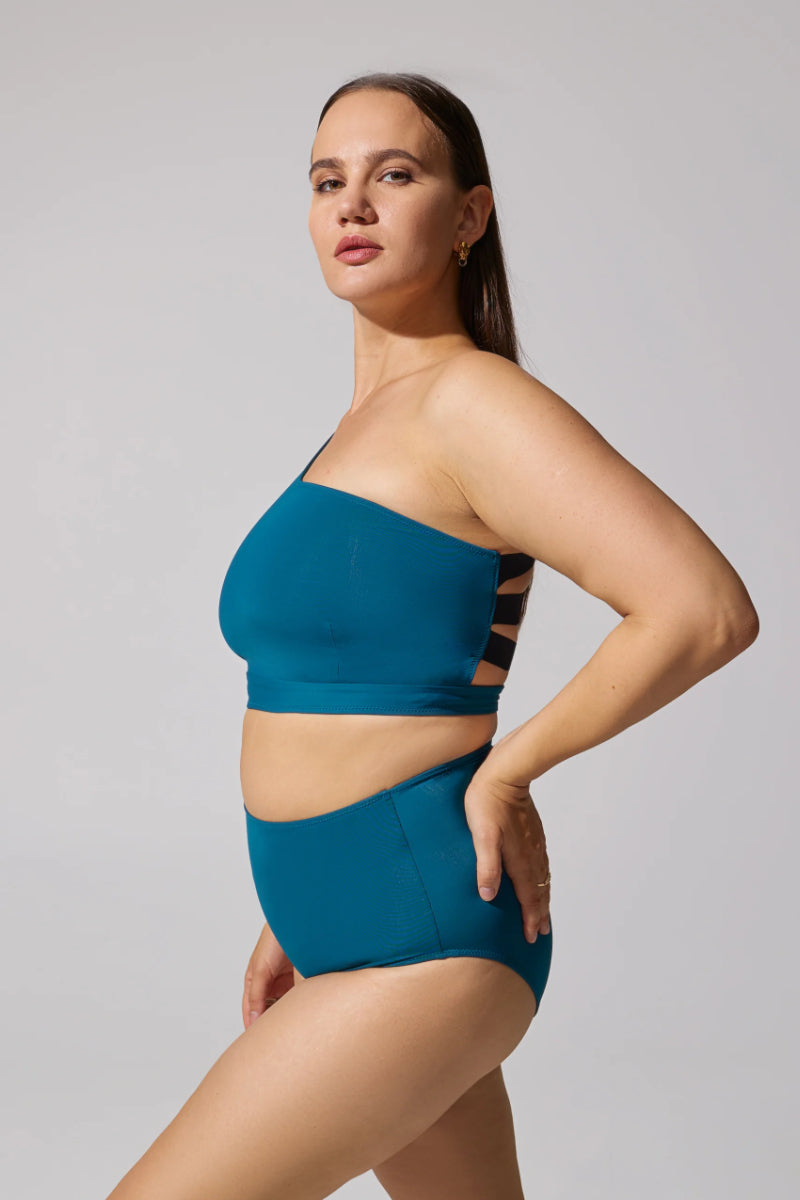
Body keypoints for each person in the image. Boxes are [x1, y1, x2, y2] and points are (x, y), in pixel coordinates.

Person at [106, 71, 759, 1200]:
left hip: (423, 931)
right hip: (341, 918)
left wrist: (509, 770)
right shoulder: (362, 428)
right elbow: (339, 684)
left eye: (394, 174)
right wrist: (301, 901)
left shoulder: (472, 403)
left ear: (468, 215)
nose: (352, 205)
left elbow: (701, 610)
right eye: (328, 181)